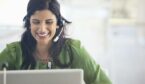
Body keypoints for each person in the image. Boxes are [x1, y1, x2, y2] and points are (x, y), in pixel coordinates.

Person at [0, 0, 112, 84]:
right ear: (29, 23)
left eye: (49, 22)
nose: (42, 29)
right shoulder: (13, 53)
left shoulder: (73, 50)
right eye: (36, 22)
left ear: (58, 24)